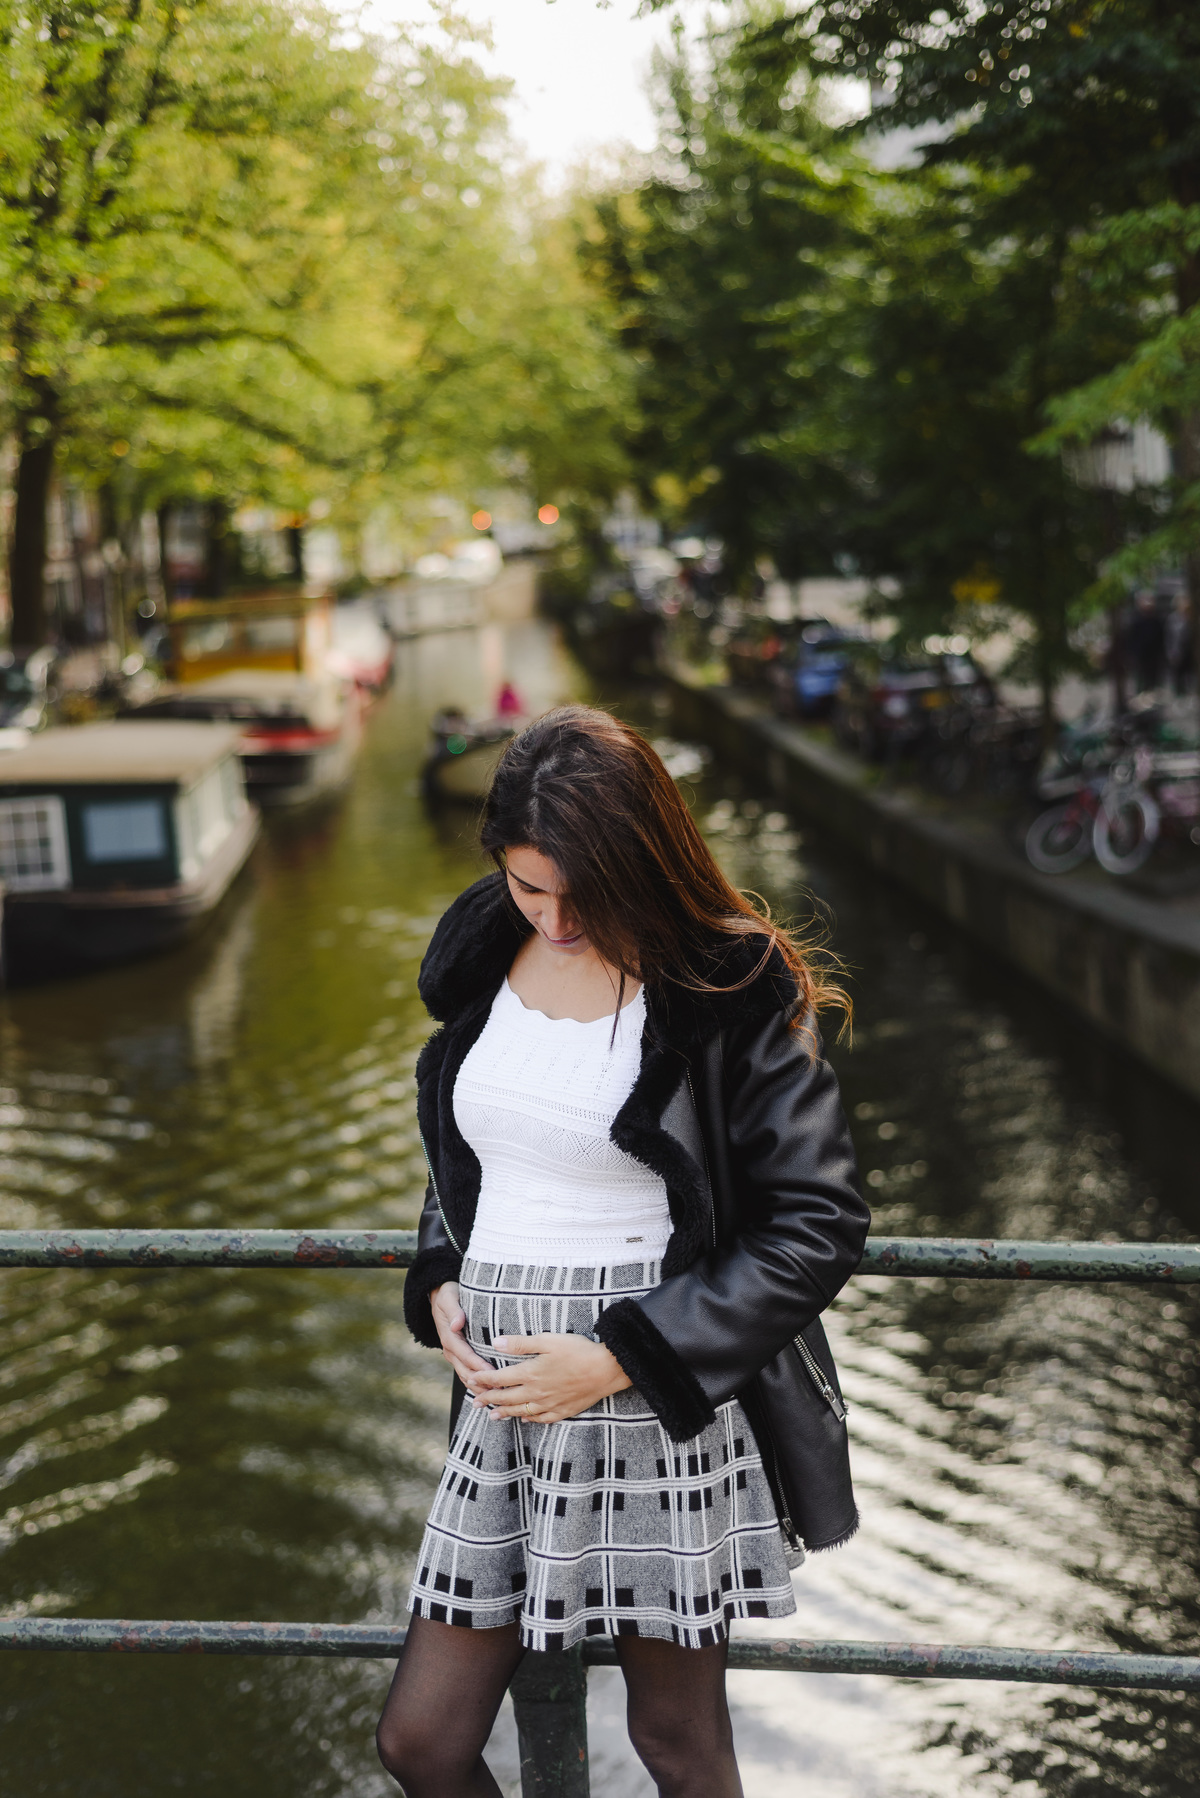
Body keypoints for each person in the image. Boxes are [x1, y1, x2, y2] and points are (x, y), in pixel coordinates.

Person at [377, 705, 868, 1798]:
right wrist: (443, 1269)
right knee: (423, 1741)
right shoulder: (482, 945)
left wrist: (620, 1357)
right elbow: (472, 1142)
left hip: (651, 1394)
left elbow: (819, 1220)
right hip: (502, 1403)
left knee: (677, 1746)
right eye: (527, 885)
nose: (552, 919)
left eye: (577, 893)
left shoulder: (726, 983)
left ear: (640, 858)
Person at [1127, 591, 1166, 694]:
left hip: (1154, 655)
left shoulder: (1157, 619)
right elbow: (1131, 638)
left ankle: (1152, 693)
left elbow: (1161, 637)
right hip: (1141, 655)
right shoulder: (1136, 620)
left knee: (1154, 677)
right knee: (1141, 677)